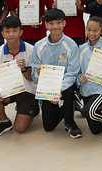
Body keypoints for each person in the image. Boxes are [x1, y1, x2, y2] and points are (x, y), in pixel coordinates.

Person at [29, 9, 82, 138]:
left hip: (66, 85)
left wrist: (59, 89)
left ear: (64, 23)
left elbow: (72, 73)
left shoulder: (71, 45)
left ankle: (70, 122)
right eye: (51, 23)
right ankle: (70, 106)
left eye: (59, 23)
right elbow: (34, 75)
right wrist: (38, 73)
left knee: (68, 92)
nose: (55, 27)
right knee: (48, 126)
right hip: (47, 87)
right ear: (46, 25)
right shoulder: (39, 45)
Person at [0, 17, 39, 138]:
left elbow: (32, 79)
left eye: (15, 31)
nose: (11, 34)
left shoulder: (31, 50)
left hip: (27, 91)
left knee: (19, 128)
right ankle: (5, 122)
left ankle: (33, 109)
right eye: (7, 31)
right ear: (2, 33)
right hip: (8, 90)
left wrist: (24, 69)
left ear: (21, 32)